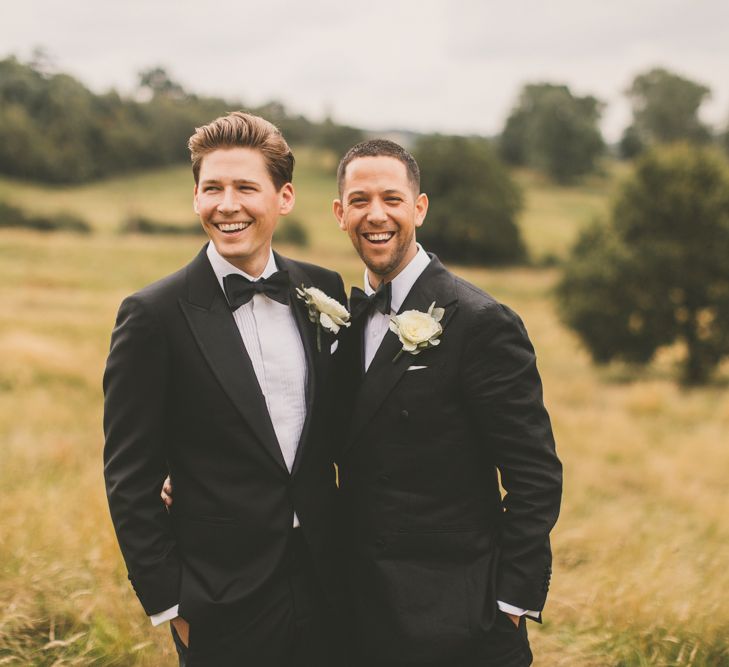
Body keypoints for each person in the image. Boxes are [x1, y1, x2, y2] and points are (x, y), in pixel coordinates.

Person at [103, 111, 348, 667]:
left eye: (245, 187)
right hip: (219, 600)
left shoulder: (322, 290)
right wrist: (172, 604)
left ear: (283, 198)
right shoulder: (152, 315)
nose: (227, 204)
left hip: (327, 581)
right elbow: (129, 475)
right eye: (211, 188)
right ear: (195, 198)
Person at [332, 139, 562, 667]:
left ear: (419, 207)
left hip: (460, 619)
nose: (376, 215)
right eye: (360, 200)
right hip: (357, 611)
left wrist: (509, 601)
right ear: (340, 213)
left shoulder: (482, 322)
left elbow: (535, 475)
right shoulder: (339, 323)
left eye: (392, 198)